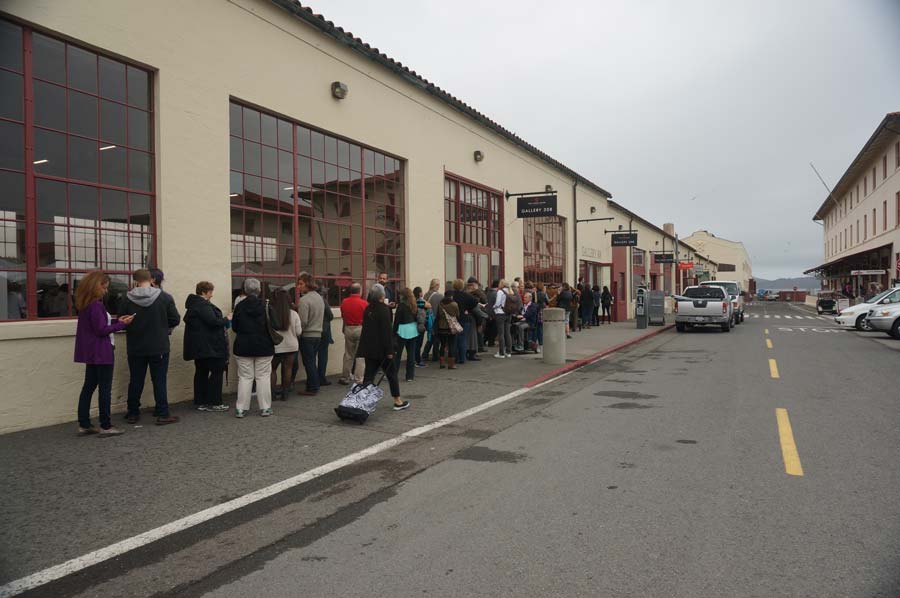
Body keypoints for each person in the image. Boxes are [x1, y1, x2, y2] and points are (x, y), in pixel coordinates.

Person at [74, 271, 133, 436]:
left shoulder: (85, 304)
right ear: (96, 286)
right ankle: (106, 425)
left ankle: (84, 423)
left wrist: (118, 321)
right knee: (104, 389)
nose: (106, 291)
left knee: (89, 387)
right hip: (102, 351)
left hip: (91, 352)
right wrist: (122, 326)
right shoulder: (96, 305)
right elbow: (101, 330)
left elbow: (100, 324)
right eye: (104, 287)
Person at [119, 268, 181, 425]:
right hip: (158, 344)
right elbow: (175, 319)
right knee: (159, 380)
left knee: (136, 379)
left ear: (135, 280)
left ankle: (133, 412)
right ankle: (162, 413)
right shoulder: (165, 297)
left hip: (135, 345)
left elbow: (121, 321)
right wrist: (162, 327)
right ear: (151, 279)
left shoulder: (127, 299)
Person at [356, 286, 409, 410]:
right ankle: (397, 400)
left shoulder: (368, 309)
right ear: (381, 296)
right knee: (391, 375)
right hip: (382, 350)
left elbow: (366, 331)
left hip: (370, 349)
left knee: (369, 375)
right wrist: (390, 351)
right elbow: (386, 332)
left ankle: (362, 401)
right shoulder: (384, 310)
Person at [183, 281, 230, 412]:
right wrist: (227, 319)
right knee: (217, 372)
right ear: (204, 292)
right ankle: (215, 402)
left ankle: (200, 401)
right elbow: (213, 322)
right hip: (211, 346)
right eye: (210, 292)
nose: (212, 295)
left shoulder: (194, 305)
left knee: (201, 373)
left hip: (199, 347)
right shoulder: (203, 305)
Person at [231, 278, 275, 417]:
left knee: (245, 377)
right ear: (259, 290)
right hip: (264, 346)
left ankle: (241, 408)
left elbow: (235, 327)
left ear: (244, 290)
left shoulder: (239, 306)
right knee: (263, 377)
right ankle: (265, 407)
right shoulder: (266, 305)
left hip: (243, 346)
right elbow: (275, 324)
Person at [270, 288, 302, 401]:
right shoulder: (294, 314)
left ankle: (272, 394)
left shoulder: (271, 313)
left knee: (272, 369)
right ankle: (285, 394)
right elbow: (299, 332)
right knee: (288, 369)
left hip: (276, 346)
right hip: (292, 345)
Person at [295, 273, 324, 396]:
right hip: (318, 334)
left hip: (307, 335)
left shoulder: (304, 300)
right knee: (312, 360)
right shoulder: (319, 297)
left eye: (301, 284)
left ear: (308, 284)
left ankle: (312, 387)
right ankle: (313, 384)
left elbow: (303, 321)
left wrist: (298, 332)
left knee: (309, 362)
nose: (298, 287)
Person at [339, 282, 367, 385]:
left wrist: (344, 328)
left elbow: (343, 316)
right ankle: (359, 378)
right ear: (360, 291)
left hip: (348, 328)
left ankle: (345, 376)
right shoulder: (364, 303)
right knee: (360, 355)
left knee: (348, 354)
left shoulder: (344, 302)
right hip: (360, 328)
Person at [393, 287, 419, 382]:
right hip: (412, 328)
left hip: (403, 329)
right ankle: (410, 376)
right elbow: (416, 317)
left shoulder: (401, 305)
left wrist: (393, 333)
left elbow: (397, 321)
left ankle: (394, 374)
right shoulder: (413, 304)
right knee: (411, 354)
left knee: (398, 354)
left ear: (402, 295)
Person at [451, 279, 478, 364]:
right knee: (463, 339)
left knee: (454, 339)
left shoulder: (452, 295)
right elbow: (475, 301)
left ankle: (455, 357)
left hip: (454, 319)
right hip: (465, 318)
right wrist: (467, 309)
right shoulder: (466, 295)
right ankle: (462, 358)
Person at [435, 292, 460, 369]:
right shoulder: (454, 304)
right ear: (451, 296)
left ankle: (442, 363)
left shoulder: (440, 304)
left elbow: (437, 315)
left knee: (442, 345)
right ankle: (451, 364)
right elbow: (457, 315)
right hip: (451, 328)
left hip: (441, 327)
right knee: (451, 345)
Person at [422, 279, 443, 362]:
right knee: (436, 338)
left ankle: (425, 354)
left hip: (427, 319)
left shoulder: (426, 295)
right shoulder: (439, 296)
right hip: (435, 319)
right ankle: (434, 355)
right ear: (436, 285)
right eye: (438, 284)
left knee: (431, 337)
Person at [317, 288, 334, 387]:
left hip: (312, 331)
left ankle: (314, 377)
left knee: (311, 356)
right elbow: (330, 315)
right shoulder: (322, 300)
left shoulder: (306, 299)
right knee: (323, 356)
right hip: (324, 330)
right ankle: (321, 378)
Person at [493, 280, 512, 358]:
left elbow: (497, 303)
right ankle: (508, 352)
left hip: (500, 313)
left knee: (501, 334)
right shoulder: (511, 292)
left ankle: (501, 353)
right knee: (507, 333)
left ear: (501, 284)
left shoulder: (500, 292)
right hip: (508, 313)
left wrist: (493, 308)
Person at [412, 286, 429, 367]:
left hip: (414, 324)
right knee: (418, 344)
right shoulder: (420, 302)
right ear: (419, 293)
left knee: (415, 344)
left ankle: (415, 360)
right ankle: (418, 361)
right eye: (421, 292)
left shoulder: (413, 301)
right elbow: (429, 305)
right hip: (420, 324)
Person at [484, 279, 499, 347]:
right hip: (494, 313)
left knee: (488, 329)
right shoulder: (495, 293)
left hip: (488, 312)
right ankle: (491, 342)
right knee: (493, 329)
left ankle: (484, 340)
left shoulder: (488, 292)